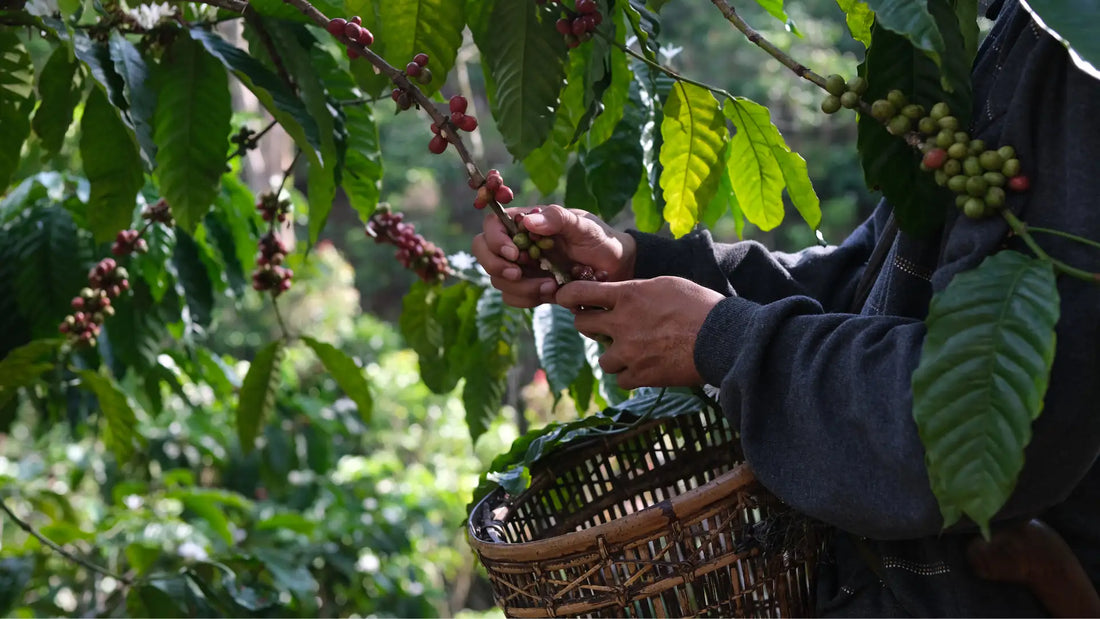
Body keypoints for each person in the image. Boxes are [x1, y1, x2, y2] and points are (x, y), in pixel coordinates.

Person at [471, 0, 1100, 615]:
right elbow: (869, 290)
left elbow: (982, 420)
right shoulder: (1009, 32)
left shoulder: (1078, 59)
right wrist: (642, 264)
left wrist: (722, 339)